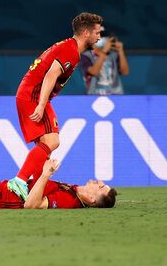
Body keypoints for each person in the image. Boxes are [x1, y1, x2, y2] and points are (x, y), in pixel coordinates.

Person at [6, 12, 103, 201]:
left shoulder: (68, 46)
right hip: (34, 95)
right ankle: (19, 181)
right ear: (85, 33)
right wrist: (41, 104)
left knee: (44, 145)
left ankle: (30, 185)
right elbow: (51, 75)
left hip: (29, 93)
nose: (99, 37)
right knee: (52, 142)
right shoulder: (71, 51)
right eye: (97, 33)